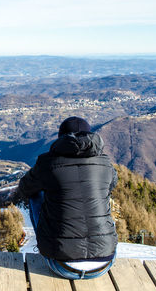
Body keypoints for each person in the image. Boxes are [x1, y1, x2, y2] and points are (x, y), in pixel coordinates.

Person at [18, 116, 118, 280]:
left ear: (61, 137)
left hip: (60, 264)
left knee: (35, 195)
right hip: (104, 264)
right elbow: (112, 185)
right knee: (100, 195)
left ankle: (49, 242)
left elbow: (25, 188)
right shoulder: (105, 164)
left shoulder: (47, 163)